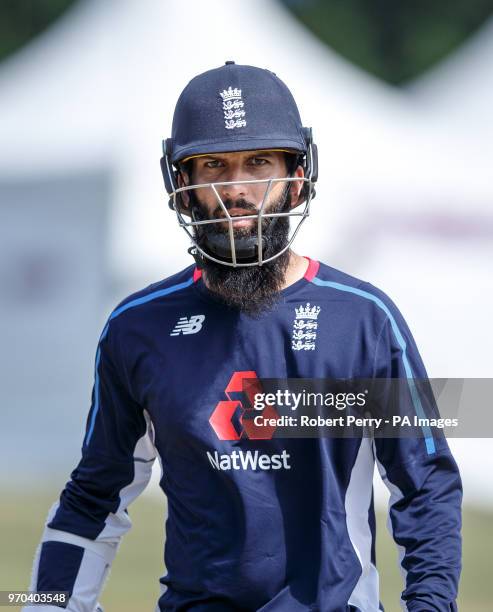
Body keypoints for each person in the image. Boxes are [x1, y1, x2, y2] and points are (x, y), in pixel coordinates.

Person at [24, 62, 462, 612]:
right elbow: (93, 497)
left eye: (258, 163)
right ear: (182, 186)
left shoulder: (364, 319)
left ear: (297, 175)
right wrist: (45, 604)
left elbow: (425, 488)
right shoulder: (137, 327)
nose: (236, 189)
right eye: (212, 165)